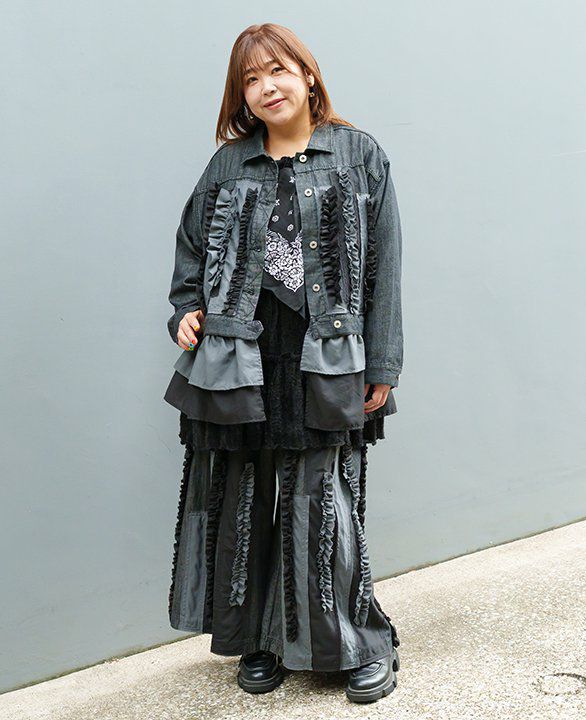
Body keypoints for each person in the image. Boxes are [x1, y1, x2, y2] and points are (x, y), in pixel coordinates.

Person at [163, 23, 403, 704]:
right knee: (244, 495)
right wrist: (184, 310)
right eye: (250, 78)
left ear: (307, 74)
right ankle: (262, 641)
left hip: (326, 352)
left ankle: (352, 644)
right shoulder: (228, 165)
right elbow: (191, 249)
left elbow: (385, 266)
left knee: (322, 497)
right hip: (242, 352)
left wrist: (383, 363)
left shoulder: (358, 154)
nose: (266, 87)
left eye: (277, 70)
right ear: (240, 94)